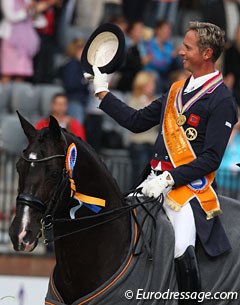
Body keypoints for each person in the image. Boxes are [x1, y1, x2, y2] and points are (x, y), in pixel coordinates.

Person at [87, 22, 238, 303]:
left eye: (187, 47)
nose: (180, 51)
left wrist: (170, 178)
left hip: (188, 190)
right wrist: (103, 93)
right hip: (151, 183)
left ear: (206, 53)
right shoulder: (174, 91)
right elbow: (136, 122)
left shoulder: (222, 100)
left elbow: (211, 158)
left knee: (182, 245)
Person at [0, 0, 40, 83]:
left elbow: (33, 17)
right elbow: (10, 17)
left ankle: (17, 94)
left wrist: (35, 9)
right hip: (10, 39)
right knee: (7, 71)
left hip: (26, 40)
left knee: (21, 72)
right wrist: (27, 10)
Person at [58, 38, 90, 124]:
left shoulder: (79, 65)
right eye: (80, 49)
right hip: (74, 100)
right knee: (76, 127)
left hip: (80, 100)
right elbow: (70, 84)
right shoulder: (71, 65)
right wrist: (84, 81)